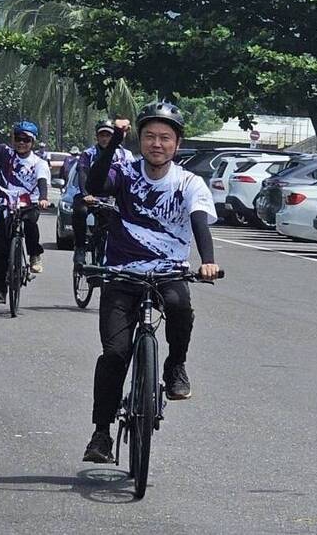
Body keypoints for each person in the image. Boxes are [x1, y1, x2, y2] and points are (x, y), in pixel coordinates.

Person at [81, 101, 219, 464]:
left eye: (165, 138)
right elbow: (95, 183)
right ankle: (101, 433)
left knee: (179, 306)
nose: (157, 144)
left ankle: (174, 365)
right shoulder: (125, 172)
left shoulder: (189, 183)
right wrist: (114, 143)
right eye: (150, 137)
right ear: (140, 140)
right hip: (122, 274)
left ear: (177, 144)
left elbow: (200, 220)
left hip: (168, 272)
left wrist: (207, 262)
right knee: (114, 354)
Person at [0, 112, 51, 302]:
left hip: (29, 204)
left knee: (31, 223)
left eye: (26, 140)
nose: (21, 143)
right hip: (6, 205)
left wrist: (43, 198)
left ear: (32, 142)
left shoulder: (38, 162)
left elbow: (41, 181)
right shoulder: (6, 154)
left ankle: (34, 255)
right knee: (1, 249)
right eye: (18, 138)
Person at [72, 119, 136, 269]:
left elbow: (132, 177)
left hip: (112, 199)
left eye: (109, 135)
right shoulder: (88, 154)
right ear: (97, 136)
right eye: (102, 135)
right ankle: (80, 248)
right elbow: (83, 173)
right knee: (79, 211)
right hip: (90, 195)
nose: (105, 139)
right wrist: (86, 194)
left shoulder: (126, 155)